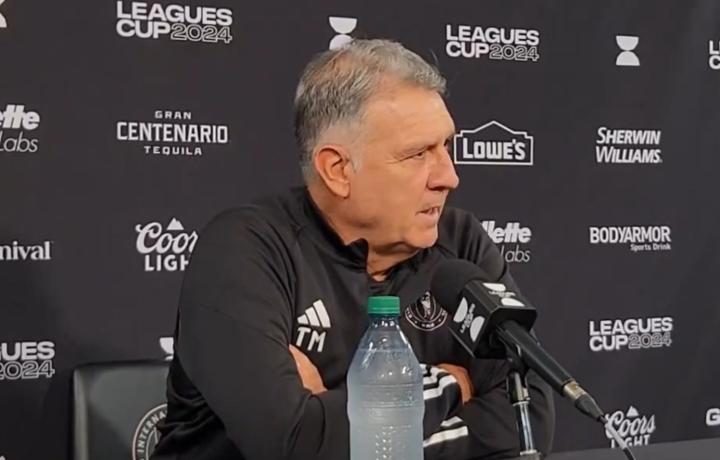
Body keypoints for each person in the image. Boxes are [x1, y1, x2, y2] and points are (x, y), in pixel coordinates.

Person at [152, 38, 555, 460]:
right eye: (418, 153)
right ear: (338, 170)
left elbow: (528, 420)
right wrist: (451, 384)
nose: (448, 177)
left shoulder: (461, 242)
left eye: (446, 147)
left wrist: (351, 425)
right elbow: (295, 445)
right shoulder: (246, 250)